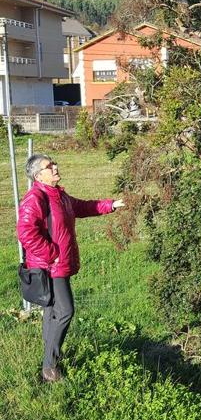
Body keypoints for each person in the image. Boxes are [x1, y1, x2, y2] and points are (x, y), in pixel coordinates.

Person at [16, 154, 124, 383]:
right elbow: (26, 232)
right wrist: (52, 254)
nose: (55, 167)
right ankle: (49, 367)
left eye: (54, 163)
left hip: (57, 265)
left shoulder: (59, 195)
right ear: (39, 175)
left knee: (52, 311)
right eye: (49, 166)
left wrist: (111, 205)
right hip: (49, 267)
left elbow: (82, 207)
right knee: (65, 311)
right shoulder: (35, 198)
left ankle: (50, 355)